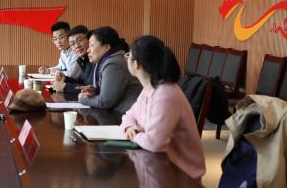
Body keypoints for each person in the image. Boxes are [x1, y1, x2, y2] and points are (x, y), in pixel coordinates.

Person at [120, 35, 206, 179]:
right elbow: (129, 115)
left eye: (128, 55)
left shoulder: (165, 93)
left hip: (181, 176)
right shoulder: (150, 87)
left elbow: (155, 143)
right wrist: (129, 127)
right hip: (161, 166)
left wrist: (135, 136)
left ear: (137, 64)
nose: (126, 59)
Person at [78, 26, 141, 115]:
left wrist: (83, 99)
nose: (88, 50)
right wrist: (95, 91)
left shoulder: (114, 63)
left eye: (91, 45)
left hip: (126, 116)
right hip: (119, 113)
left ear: (107, 47)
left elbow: (105, 102)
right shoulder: (108, 61)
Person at [53, 25, 93, 96]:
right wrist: (65, 79)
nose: (77, 46)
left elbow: (91, 89)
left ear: (89, 40)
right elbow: (82, 82)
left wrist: (65, 87)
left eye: (80, 40)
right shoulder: (83, 60)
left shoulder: (94, 60)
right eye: (72, 43)